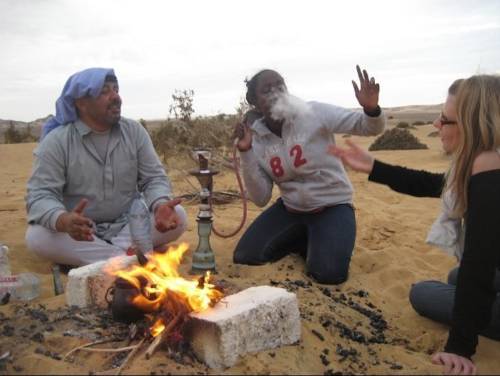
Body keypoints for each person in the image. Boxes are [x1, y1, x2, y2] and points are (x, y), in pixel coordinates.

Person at [329, 75, 500, 375]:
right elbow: (434, 184)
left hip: (486, 272)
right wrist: (373, 166)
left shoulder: (488, 165)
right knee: (454, 275)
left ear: (472, 125)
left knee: (422, 293)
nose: (436, 124)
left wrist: (460, 348)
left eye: (445, 119)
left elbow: (480, 263)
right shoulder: (488, 161)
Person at [233, 66, 386, 284]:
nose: (276, 92)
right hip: (291, 208)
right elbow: (260, 198)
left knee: (328, 274)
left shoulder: (313, 112)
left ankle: (321, 237)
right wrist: (246, 152)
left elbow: (367, 127)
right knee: (246, 256)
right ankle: (305, 237)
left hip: (332, 206)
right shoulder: (256, 138)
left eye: (280, 86)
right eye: (267, 90)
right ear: (254, 102)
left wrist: (371, 109)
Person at [25, 67, 187, 266]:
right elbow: (40, 195)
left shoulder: (134, 131)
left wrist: (160, 204)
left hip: (127, 226)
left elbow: (154, 178)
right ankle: (128, 259)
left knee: (178, 216)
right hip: (82, 232)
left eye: (116, 89)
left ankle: (109, 260)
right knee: (38, 236)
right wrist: (64, 220)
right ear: (81, 103)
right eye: (104, 91)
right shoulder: (57, 141)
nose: (116, 97)